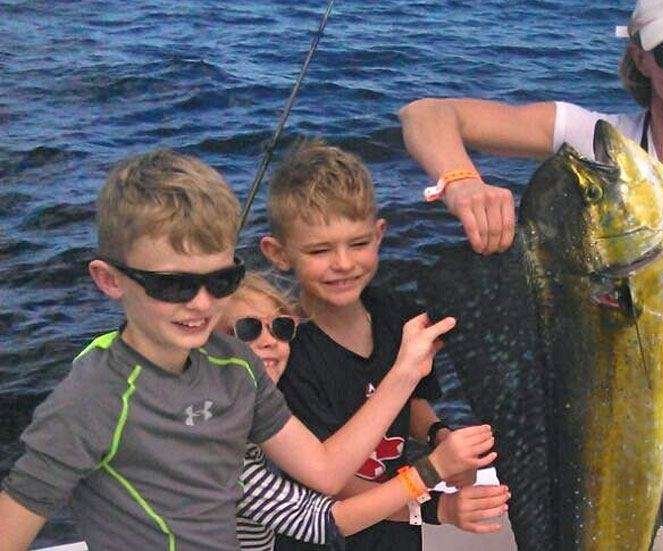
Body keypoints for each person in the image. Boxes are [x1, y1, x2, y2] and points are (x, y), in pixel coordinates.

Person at [398, 0, 663, 548]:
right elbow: (425, 114)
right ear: (640, 56)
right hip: (573, 454)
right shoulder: (596, 145)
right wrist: (462, 183)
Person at [0, 150, 496, 551]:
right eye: (172, 285)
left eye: (220, 280)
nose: (201, 304)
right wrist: (428, 469)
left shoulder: (237, 365)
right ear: (109, 280)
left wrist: (415, 391)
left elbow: (324, 472)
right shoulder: (92, 398)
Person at [259, 140, 499, 551]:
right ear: (278, 254)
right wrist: (436, 503)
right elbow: (329, 482)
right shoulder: (284, 351)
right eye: (320, 250)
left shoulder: (397, 314)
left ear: (379, 235)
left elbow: (412, 400)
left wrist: (438, 434)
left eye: (358, 244)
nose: (343, 263)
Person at [221, 273, 511, 549]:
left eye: (281, 328)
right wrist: (434, 476)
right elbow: (320, 520)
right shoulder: (220, 451)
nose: (269, 340)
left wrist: (437, 435)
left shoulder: (256, 421)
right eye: (247, 329)